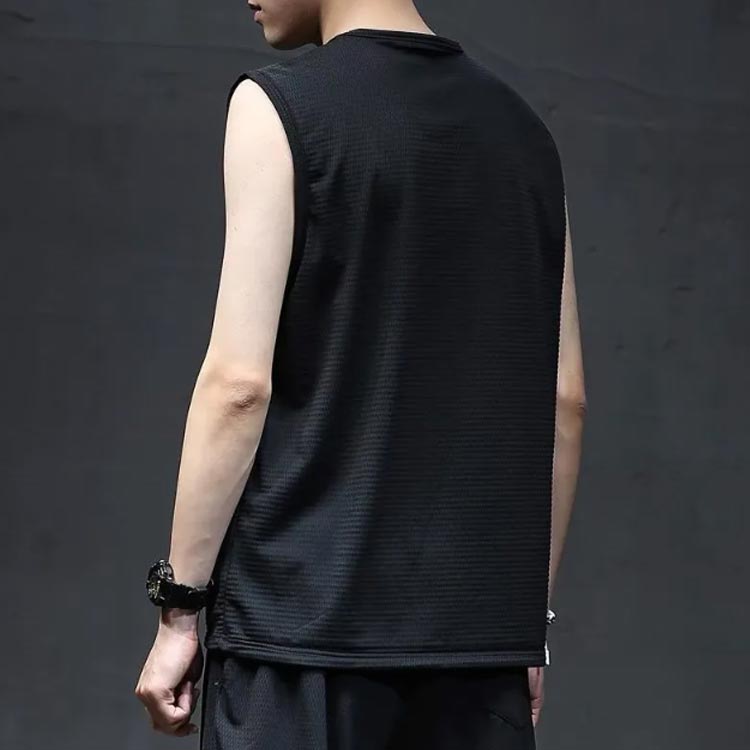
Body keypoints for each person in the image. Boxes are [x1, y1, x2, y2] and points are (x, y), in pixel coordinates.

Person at [134, 1, 586, 748]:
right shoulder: (526, 132)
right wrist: (523, 627)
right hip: (477, 657)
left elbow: (239, 386)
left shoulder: (280, 108)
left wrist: (180, 607)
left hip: (298, 643)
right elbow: (563, 401)